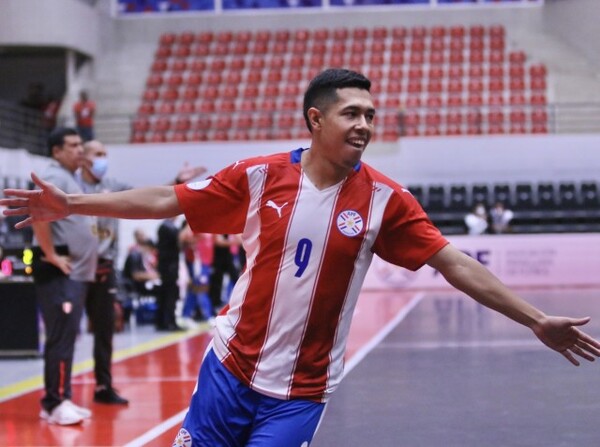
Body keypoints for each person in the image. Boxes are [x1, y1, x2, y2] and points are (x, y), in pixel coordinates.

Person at [3, 69, 600, 446]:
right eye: (352, 113)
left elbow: (454, 263)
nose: (366, 124)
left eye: (370, 114)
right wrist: (73, 202)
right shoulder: (259, 175)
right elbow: (168, 198)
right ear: (316, 120)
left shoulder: (387, 200)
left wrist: (534, 319)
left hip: (301, 391)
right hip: (229, 367)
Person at [29, 127, 99, 425]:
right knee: (60, 337)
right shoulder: (55, 177)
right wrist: (50, 253)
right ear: (56, 151)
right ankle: (55, 401)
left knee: (68, 337)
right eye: (72, 146)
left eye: (81, 145)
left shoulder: (71, 178)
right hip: (59, 271)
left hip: (74, 272)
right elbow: (37, 213)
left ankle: (62, 398)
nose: (80, 150)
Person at [155, 216, 184, 331]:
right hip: (169, 266)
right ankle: (169, 321)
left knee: (166, 294)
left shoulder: (166, 227)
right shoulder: (167, 227)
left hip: (167, 265)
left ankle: (163, 321)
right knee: (170, 294)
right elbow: (180, 239)